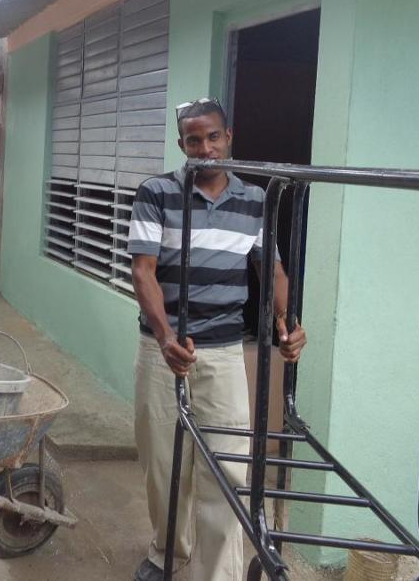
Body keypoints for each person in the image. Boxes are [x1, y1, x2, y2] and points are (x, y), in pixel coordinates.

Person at [128, 98, 307, 581]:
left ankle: (217, 575)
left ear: (230, 137)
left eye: (213, 137)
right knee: (164, 466)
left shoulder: (254, 200)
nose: (205, 149)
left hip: (225, 351)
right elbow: (142, 272)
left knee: (228, 469)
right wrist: (165, 337)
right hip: (162, 350)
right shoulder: (156, 193)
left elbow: (270, 268)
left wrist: (286, 322)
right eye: (193, 140)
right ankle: (170, 552)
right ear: (181, 144)